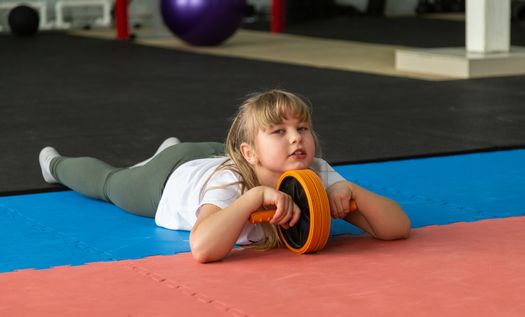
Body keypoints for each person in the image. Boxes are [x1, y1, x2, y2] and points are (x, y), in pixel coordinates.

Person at [39, 89, 410, 263]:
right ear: (251, 152)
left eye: (303, 128)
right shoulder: (232, 183)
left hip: (215, 151)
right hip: (171, 177)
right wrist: (251, 199)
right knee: (110, 185)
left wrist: (350, 190)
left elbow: (396, 227)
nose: (297, 137)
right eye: (279, 132)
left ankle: (170, 146)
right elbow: (202, 248)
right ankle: (55, 164)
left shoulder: (310, 170)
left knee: (204, 152)